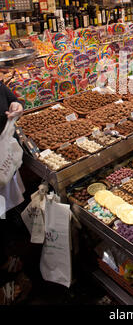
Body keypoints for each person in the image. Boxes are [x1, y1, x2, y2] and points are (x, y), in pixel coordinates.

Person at [0, 79, 30, 305]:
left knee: (7, 218)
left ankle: (9, 266)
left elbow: (11, 98)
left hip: (3, 158)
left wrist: (16, 105)